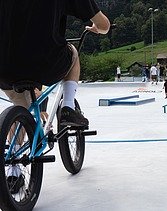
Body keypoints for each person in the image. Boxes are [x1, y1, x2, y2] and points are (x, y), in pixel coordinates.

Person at [0, 0, 110, 194]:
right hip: (46, 63)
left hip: (5, 66)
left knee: (19, 105)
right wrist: (96, 29)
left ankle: (14, 172)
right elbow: (104, 25)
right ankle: (67, 107)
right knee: (73, 54)